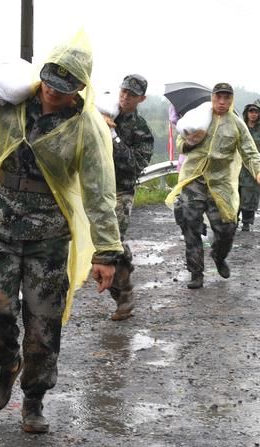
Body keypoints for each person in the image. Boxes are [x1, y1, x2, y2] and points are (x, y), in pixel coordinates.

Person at [0, 32, 123, 434]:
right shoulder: (13, 105)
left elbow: (100, 194)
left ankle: (33, 400)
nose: (51, 89)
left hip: (48, 237)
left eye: (63, 85)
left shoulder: (85, 129)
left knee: (43, 325)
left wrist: (106, 254)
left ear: (80, 88)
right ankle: (6, 362)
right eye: (49, 79)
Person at [166, 83, 260, 289]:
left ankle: (218, 256)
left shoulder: (236, 124)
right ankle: (196, 272)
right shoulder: (199, 117)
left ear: (231, 100)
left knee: (227, 227)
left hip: (220, 184)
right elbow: (181, 143)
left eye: (227, 98)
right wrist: (191, 141)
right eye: (219, 97)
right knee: (190, 224)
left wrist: (257, 171)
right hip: (194, 179)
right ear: (213, 97)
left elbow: (250, 153)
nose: (222, 102)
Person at [102, 74, 154, 321]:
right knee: (101, 245)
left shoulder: (141, 130)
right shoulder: (104, 112)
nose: (125, 97)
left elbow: (134, 165)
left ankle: (124, 297)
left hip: (121, 191)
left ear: (141, 98)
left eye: (132, 95)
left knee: (111, 241)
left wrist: (114, 138)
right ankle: (123, 277)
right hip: (96, 190)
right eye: (123, 91)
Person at [238, 99, 260, 231]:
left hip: (253, 166)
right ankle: (233, 220)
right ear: (247, 113)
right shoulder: (241, 127)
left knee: (249, 195)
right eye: (251, 111)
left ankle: (246, 222)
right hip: (239, 166)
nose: (253, 114)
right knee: (235, 192)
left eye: (256, 111)